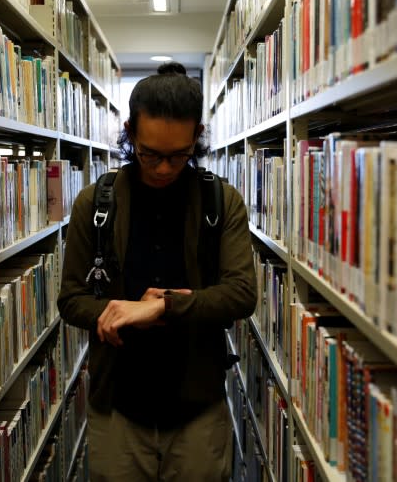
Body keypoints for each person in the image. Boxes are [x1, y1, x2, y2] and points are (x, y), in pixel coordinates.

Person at [57, 61, 256, 481]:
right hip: (118, 408)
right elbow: (72, 299)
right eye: (150, 154)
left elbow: (241, 294)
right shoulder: (95, 203)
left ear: (197, 138)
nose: (164, 168)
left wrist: (162, 308)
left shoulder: (222, 203)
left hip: (198, 408)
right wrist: (116, 312)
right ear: (130, 133)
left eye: (178, 155)